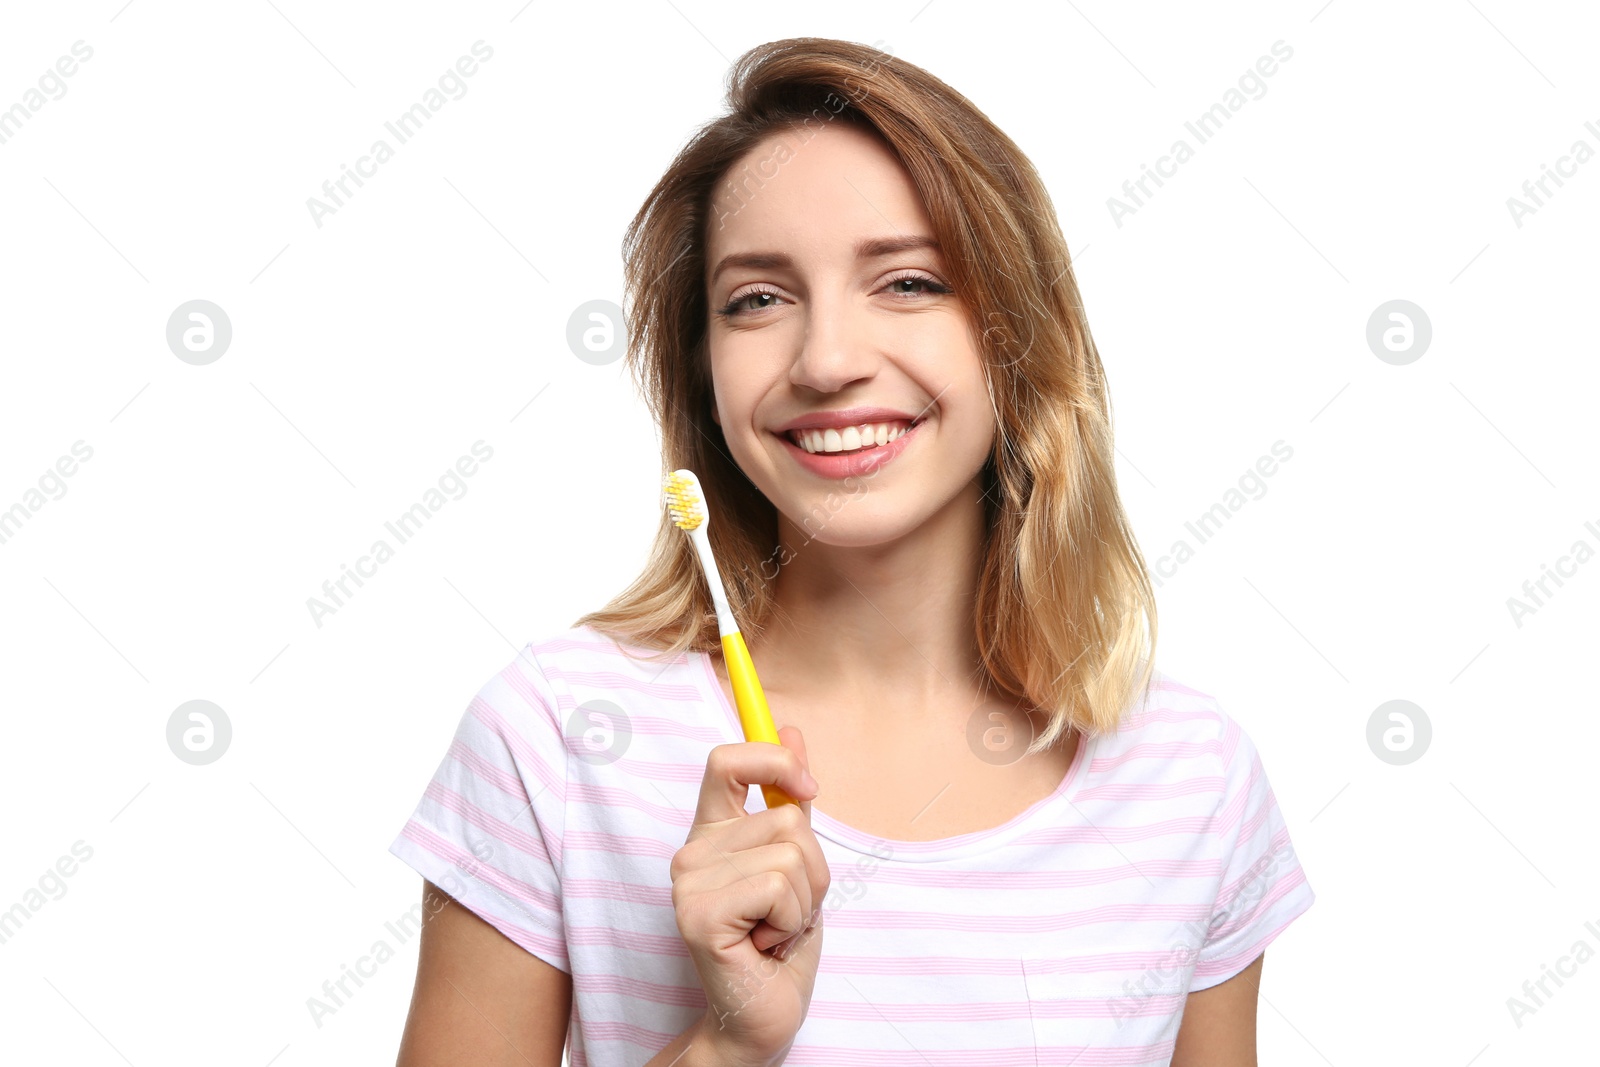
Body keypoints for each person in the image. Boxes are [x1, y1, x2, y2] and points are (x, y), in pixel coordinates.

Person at [388, 37, 1315, 1067]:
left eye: (909, 282)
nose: (826, 359)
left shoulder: (1191, 772)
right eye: (757, 299)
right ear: (702, 370)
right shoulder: (554, 739)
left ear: (1017, 335)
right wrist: (723, 1046)